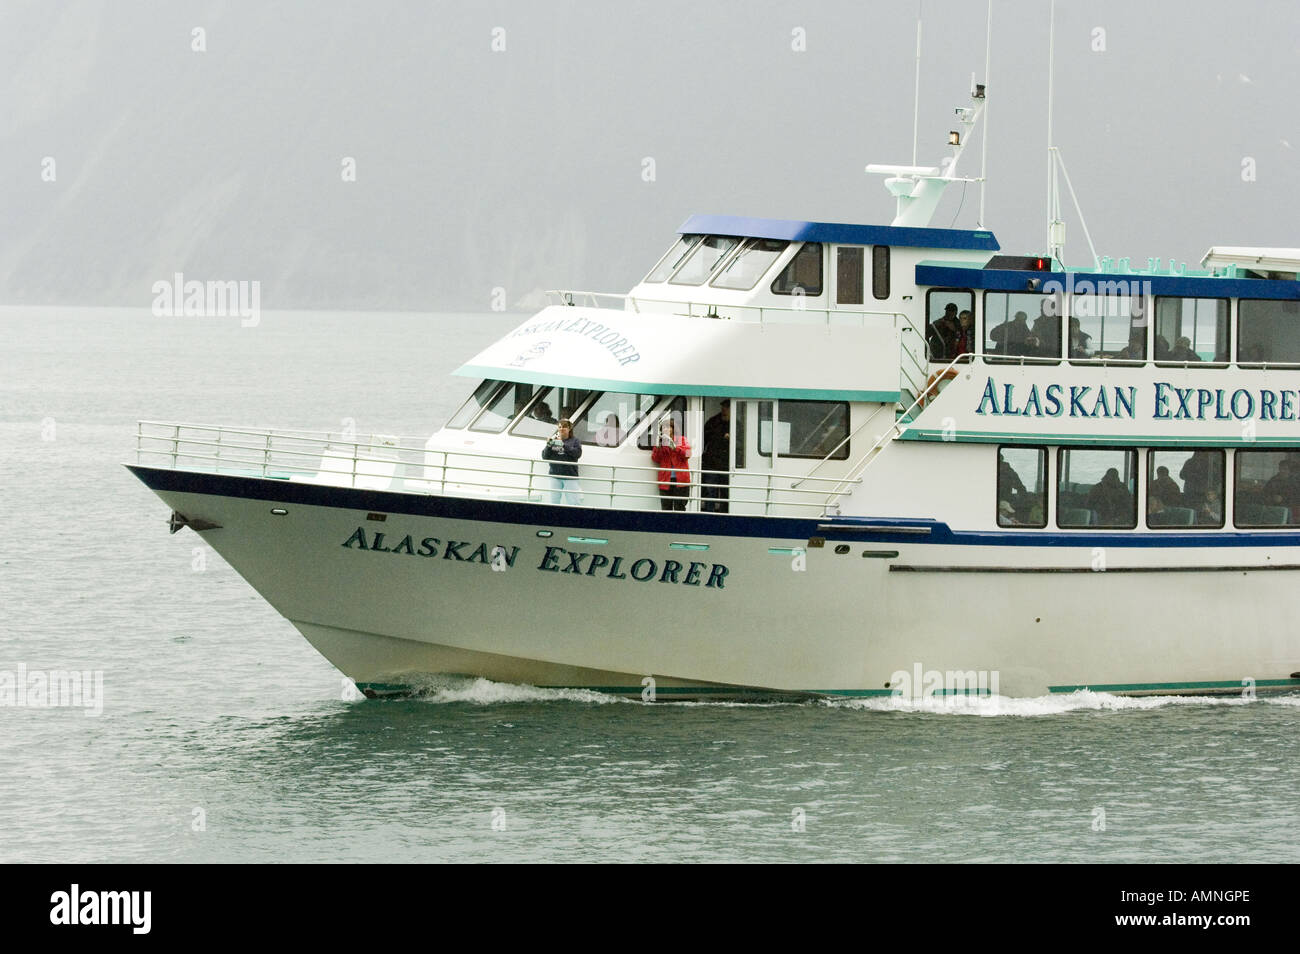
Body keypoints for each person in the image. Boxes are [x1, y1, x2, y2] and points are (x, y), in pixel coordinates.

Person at [650, 416, 692, 511]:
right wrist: (657, 447)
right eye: (663, 427)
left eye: (668, 427)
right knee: (666, 508)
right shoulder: (661, 442)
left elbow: (688, 454)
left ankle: (680, 526)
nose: (666, 429)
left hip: (681, 481)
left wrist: (675, 447)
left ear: (673, 428)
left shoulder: (682, 439)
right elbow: (655, 459)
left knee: (679, 508)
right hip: (666, 480)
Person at [541, 419, 583, 505]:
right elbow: (545, 457)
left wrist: (563, 445)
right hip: (555, 476)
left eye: (564, 427)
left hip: (570, 476)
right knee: (554, 502)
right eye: (560, 427)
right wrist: (548, 446)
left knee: (574, 503)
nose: (561, 429)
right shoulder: (553, 440)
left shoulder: (575, 441)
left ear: (569, 429)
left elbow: (577, 454)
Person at [701, 400, 731, 513]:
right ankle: (710, 513)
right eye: (723, 406)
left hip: (727, 463)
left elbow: (742, 443)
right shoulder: (713, 422)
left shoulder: (736, 424)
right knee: (710, 491)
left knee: (725, 492)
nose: (724, 409)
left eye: (727, 407)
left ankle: (724, 514)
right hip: (711, 462)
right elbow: (703, 438)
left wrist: (731, 439)